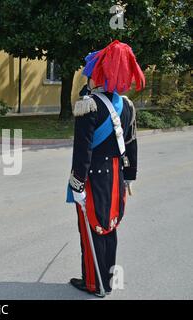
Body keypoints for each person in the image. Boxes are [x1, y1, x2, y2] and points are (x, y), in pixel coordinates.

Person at [66, 40, 143, 297]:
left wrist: (77, 183)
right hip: (117, 175)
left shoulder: (88, 105)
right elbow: (130, 144)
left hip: (93, 177)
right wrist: (129, 177)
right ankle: (107, 278)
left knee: (91, 230)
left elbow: (83, 151)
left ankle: (94, 282)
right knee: (109, 226)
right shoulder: (127, 105)